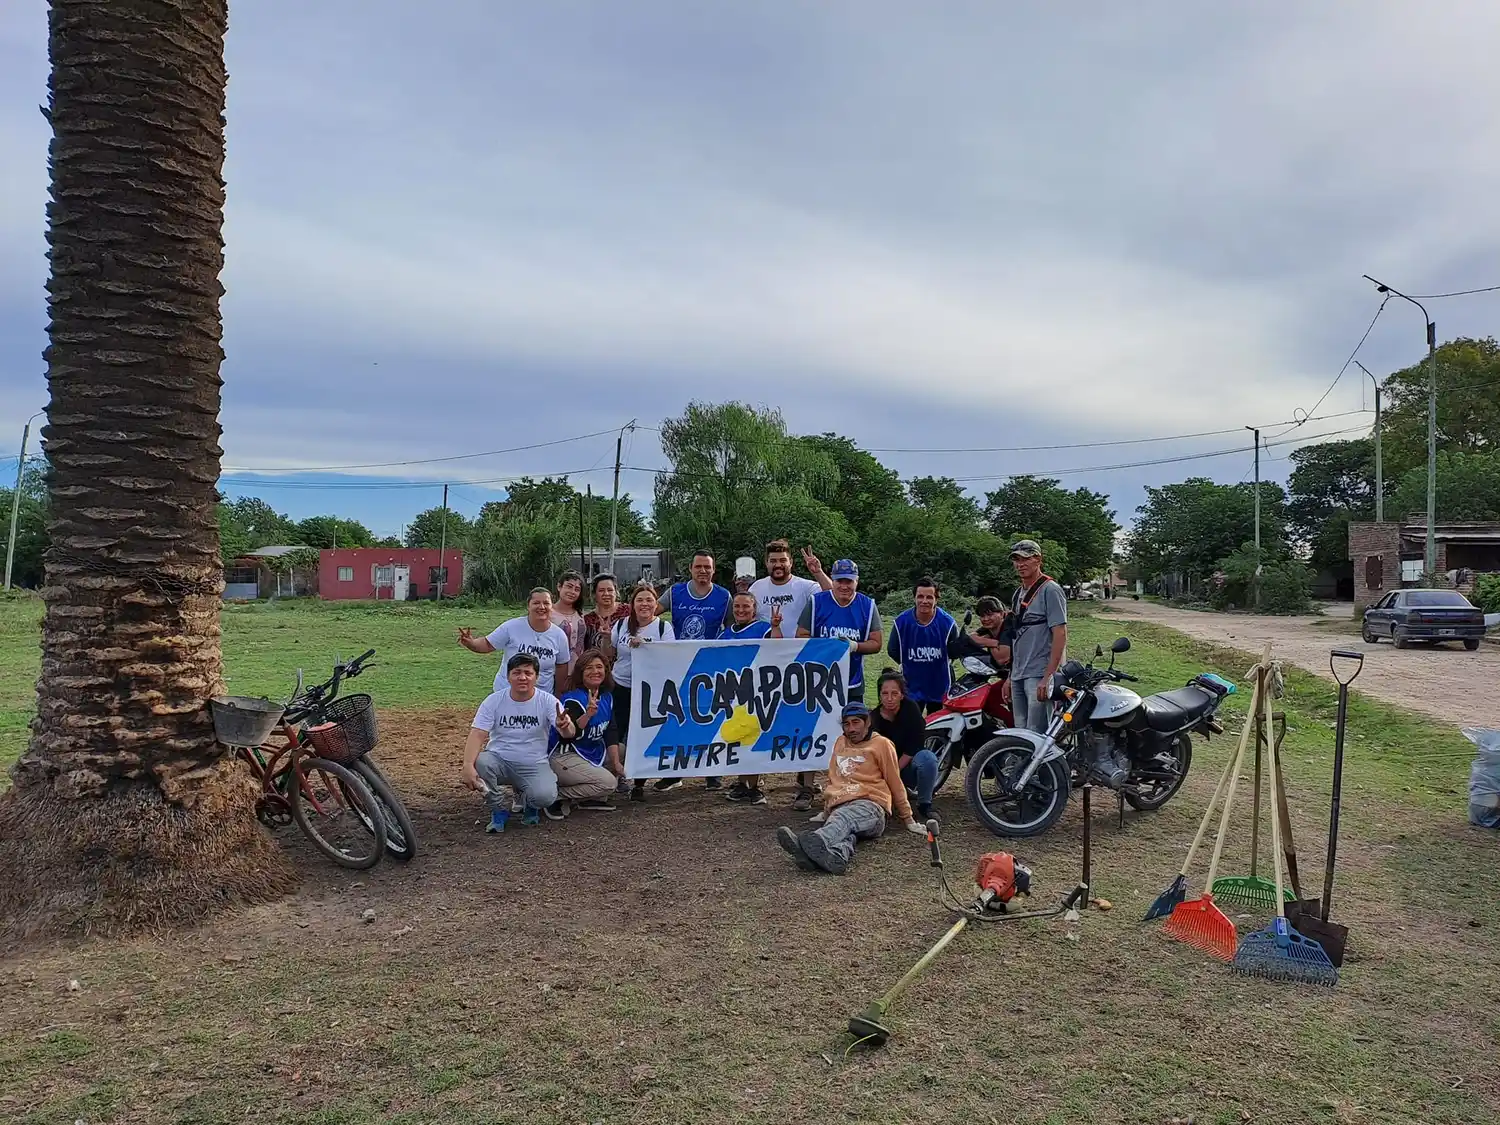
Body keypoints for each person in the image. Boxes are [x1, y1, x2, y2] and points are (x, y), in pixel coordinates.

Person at [775, 701, 924, 875]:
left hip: (870, 806)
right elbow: (835, 777)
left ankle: (815, 840)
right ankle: (836, 857)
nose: (851, 729)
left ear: (867, 722)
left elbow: (895, 781)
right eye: (846, 724)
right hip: (841, 807)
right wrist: (826, 809)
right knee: (846, 832)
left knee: (844, 819)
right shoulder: (840, 742)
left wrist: (908, 818)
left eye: (856, 722)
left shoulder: (882, 745)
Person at [796, 558, 882, 812]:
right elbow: (800, 636)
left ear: (856, 581)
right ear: (832, 580)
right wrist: (826, 647)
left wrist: (855, 646)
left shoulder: (867, 606)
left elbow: (876, 642)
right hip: (818, 681)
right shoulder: (817, 602)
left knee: (854, 734)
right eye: (839, 581)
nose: (844, 586)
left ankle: (851, 785)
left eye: (849, 581)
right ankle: (806, 787)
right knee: (813, 732)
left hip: (851, 681)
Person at [462, 652, 578, 832]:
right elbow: (477, 733)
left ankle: (529, 803)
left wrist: (565, 725)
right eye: (517, 672)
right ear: (508, 676)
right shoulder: (494, 701)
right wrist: (468, 765)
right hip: (500, 759)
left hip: (533, 763)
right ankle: (497, 809)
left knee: (545, 796)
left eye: (528, 673)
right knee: (481, 762)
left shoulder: (547, 701)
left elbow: (570, 733)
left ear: (536, 677)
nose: (522, 677)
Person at [610, 583, 676, 801]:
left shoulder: (662, 628)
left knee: (645, 734)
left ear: (656, 603)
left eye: (649, 600)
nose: (645, 604)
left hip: (649, 689)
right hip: (621, 687)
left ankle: (639, 783)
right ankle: (615, 777)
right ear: (632, 604)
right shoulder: (620, 625)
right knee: (617, 732)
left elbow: (670, 656)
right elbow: (612, 652)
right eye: (640, 600)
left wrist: (647, 646)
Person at [721, 591, 783, 806]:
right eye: (737, 606)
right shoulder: (725, 634)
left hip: (757, 692)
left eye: (746, 606)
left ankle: (755, 786)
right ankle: (741, 782)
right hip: (733, 694)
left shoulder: (763, 628)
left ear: (754, 608)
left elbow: (778, 647)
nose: (741, 610)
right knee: (737, 737)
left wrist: (776, 626)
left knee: (753, 737)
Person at [1001, 540, 1068, 735]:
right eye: (1016, 559)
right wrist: (1009, 676)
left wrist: (1049, 677)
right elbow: (1015, 637)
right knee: (1020, 732)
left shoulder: (1050, 590)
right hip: (1018, 673)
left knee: (1037, 733)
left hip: (1038, 673)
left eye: (1025, 558)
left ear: (1038, 559)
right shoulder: (1018, 594)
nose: (1020, 564)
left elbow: (1060, 633)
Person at [459, 587, 571, 695]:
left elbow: (562, 666)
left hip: (541, 697)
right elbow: (487, 644)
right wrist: (471, 643)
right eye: (536, 603)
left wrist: (558, 694)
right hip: (507, 693)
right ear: (528, 606)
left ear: (551, 606)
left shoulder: (559, 635)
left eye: (546, 603)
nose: (541, 607)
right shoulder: (511, 627)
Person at [551, 649, 625, 813]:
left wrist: (616, 763)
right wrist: (588, 715)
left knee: (621, 750)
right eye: (589, 668)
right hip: (565, 755)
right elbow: (569, 735)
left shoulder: (606, 696)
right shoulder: (572, 698)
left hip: (590, 750)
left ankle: (590, 797)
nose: (595, 672)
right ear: (581, 672)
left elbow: (610, 731)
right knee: (608, 784)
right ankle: (554, 795)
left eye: (599, 667)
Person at [871, 670, 940, 823]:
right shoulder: (873, 719)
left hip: (905, 765)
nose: (889, 699)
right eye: (885, 693)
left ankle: (924, 804)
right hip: (882, 773)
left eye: (894, 694)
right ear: (879, 695)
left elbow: (916, 744)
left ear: (902, 695)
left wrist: (894, 771)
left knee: (928, 758)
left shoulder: (910, 709)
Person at [886, 576, 959, 713]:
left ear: (936, 599)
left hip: (939, 685)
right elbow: (893, 649)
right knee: (912, 728)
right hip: (911, 685)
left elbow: (955, 652)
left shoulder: (948, 623)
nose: (924, 601)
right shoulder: (901, 622)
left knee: (937, 729)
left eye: (929, 597)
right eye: (920, 596)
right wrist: (908, 662)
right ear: (914, 598)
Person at [749, 539, 831, 631]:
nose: (778, 565)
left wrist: (818, 572)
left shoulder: (806, 587)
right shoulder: (756, 588)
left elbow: (833, 596)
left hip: (798, 644)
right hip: (764, 644)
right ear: (766, 563)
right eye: (773, 561)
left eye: (783, 560)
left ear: (791, 562)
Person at [657, 550, 732, 642]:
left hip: (709, 653)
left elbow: (732, 631)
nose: (703, 570)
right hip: (679, 653)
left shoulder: (724, 596)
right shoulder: (674, 592)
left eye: (707, 567)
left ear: (713, 569)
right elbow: (647, 615)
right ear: (690, 568)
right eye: (698, 566)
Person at [583, 572, 630, 657]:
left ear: (616, 592)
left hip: (625, 666)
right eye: (601, 590)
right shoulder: (588, 620)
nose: (606, 594)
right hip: (598, 667)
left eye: (610, 590)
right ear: (594, 594)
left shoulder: (628, 611)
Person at [551, 570, 588, 662]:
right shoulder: (548, 613)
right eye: (569, 587)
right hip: (555, 667)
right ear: (559, 587)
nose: (572, 592)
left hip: (578, 668)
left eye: (577, 589)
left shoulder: (581, 615)